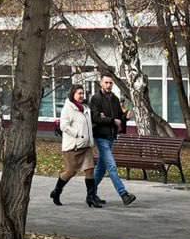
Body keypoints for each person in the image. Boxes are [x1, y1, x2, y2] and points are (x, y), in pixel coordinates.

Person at [90, 74, 136, 206]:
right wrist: (111, 120)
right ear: (101, 83)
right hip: (101, 137)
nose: (109, 85)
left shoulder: (115, 99)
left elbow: (118, 117)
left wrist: (126, 117)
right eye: (106, 82)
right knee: (111, 166)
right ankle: (124, 194)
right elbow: (95, 118)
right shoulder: (96, 99)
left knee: (101, 168)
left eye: (110, 83)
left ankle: (91, 193)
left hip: (111, 137)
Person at [50, 85, 99, 207]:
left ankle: (90, 197)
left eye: (83, 93)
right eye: (79, 93)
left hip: (86, 146)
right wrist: (77, 134)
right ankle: (57, 192)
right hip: (73, 147)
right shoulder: (68, 109)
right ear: (73, 94)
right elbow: (63, 126)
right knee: (70, 172)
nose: (81, 96)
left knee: (90, 170)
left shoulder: (86, 108)